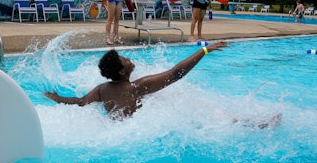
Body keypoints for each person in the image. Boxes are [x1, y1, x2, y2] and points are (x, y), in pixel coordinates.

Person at [45, 41, 230, 119]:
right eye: (124, 60)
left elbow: (79, 102)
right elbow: (176, 74)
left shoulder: (101, 89)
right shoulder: (137, 87)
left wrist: (56, 97)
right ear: (121, 72)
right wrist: (204, 50)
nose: (128, 59)